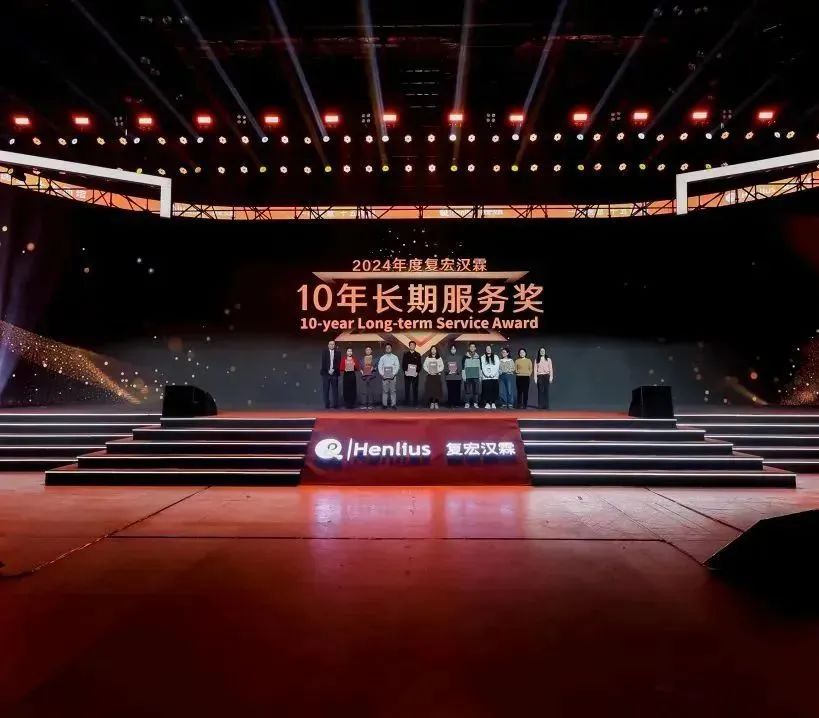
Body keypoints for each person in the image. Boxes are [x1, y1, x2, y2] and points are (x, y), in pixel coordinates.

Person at [319, 339, 342, 409]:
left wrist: (333, 369)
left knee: (335, 390)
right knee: (326, 390)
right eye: (330, 344)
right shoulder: (324, 352)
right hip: (326, 373)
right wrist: (328, 370)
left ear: (334, 345)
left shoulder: (338, 353)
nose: (332, 345)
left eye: (333, 344)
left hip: (334, 373)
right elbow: (323, 363)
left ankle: (335, 405)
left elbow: (338, 363)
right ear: (328, 345)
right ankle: (327, 404)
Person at [378, 343, 401, 410]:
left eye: (389, 348)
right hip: (384, 377)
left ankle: (393, 404)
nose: (388, 349)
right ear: (385, 349)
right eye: (386, 348)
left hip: (393, 377)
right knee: (385, 391)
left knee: (393, 391)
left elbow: (397, 366)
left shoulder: (395, 357)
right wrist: (382, 374)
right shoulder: (382, 357)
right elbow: (380, 366)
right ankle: (384, 405)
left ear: (391, 349)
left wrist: (393, 374)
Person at [401, 341, 422, 407]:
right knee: (407, 389)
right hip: (407, 374)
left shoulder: (418, 354)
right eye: (411, 345)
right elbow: (403, 364)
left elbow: (419, 365)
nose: (412, 346)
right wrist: (405, 371)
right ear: (409, 346)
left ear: (415, 346)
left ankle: (415, 403)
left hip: (415, 374)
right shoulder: (405, 354)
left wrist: (417, 372)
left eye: (413, 345)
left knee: (415, 389)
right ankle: (407, 403)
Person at [462, 343, 481, 409]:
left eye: (473, 347)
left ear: (475, 348)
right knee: (467, 390)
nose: (472, 348)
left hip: (476, 375)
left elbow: (480, 367)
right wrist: (464, 376)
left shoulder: (478, 357)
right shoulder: (465, 356)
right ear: (469, 348)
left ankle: (475, 403)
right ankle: (467, 403)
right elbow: (463, 367)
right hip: (468, 375)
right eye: (471, 347)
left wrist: (480, 376)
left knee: (476, 390)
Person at [480, 345, 500, 409]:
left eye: (489, 348)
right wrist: (486, 374)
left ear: (491, 349)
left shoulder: (496, 356)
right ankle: (487, 403)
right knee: (486, 390)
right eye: (487, 348)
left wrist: (493, 374)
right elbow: (483, 366)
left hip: (494, 377)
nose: (488, 349)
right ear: (485, 350)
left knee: (494, 390)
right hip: (486, 377)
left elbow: (497, 366)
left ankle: (493, 403)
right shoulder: (483, 357)